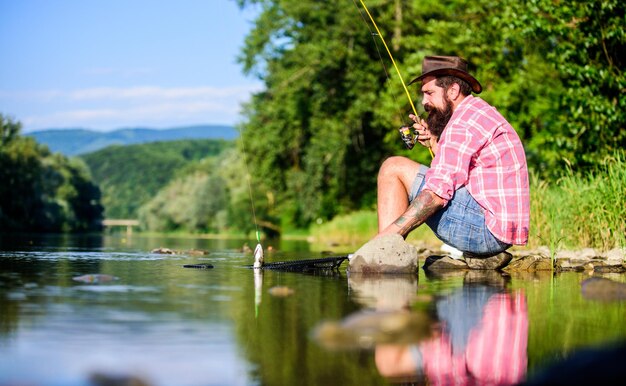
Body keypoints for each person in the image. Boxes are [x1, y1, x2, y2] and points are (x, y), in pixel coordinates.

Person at [376, 55, 529, 266]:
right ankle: (385, 251)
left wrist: (384, 238)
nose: (423, 102)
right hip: (498, 232)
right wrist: (433, 143)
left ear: (453, 91)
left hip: (486, 231)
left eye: (429, 93)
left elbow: (437, 194)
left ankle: (382, 255)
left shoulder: (462, 124)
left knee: (392, 167)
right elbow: (462, 174)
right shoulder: (477, 113)